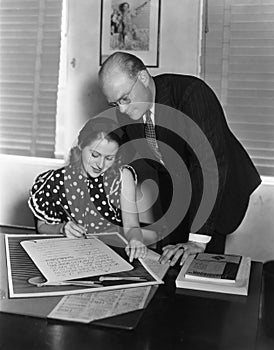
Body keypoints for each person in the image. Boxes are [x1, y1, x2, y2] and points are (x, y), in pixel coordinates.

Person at [98, 51, 262, 266]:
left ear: (144, 78)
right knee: (169, 261)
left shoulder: (191, 94)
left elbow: (208, 165)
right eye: (114, 103)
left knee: (200, 267)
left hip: (217, 186)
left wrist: (197, 240)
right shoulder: (129, 106)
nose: (122, 109)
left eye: (125, 99)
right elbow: (118, 147)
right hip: (176, 187)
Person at [28, 116, 147, 262]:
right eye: (95, 155)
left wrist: (135, 240)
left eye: (109, 158)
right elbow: (42, 227)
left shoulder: (122, 177)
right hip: (65, 252)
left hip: (108, 252)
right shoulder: (53, 180)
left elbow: (132, 226)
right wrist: (62, 228)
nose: (100, 165)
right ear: (80, 146)